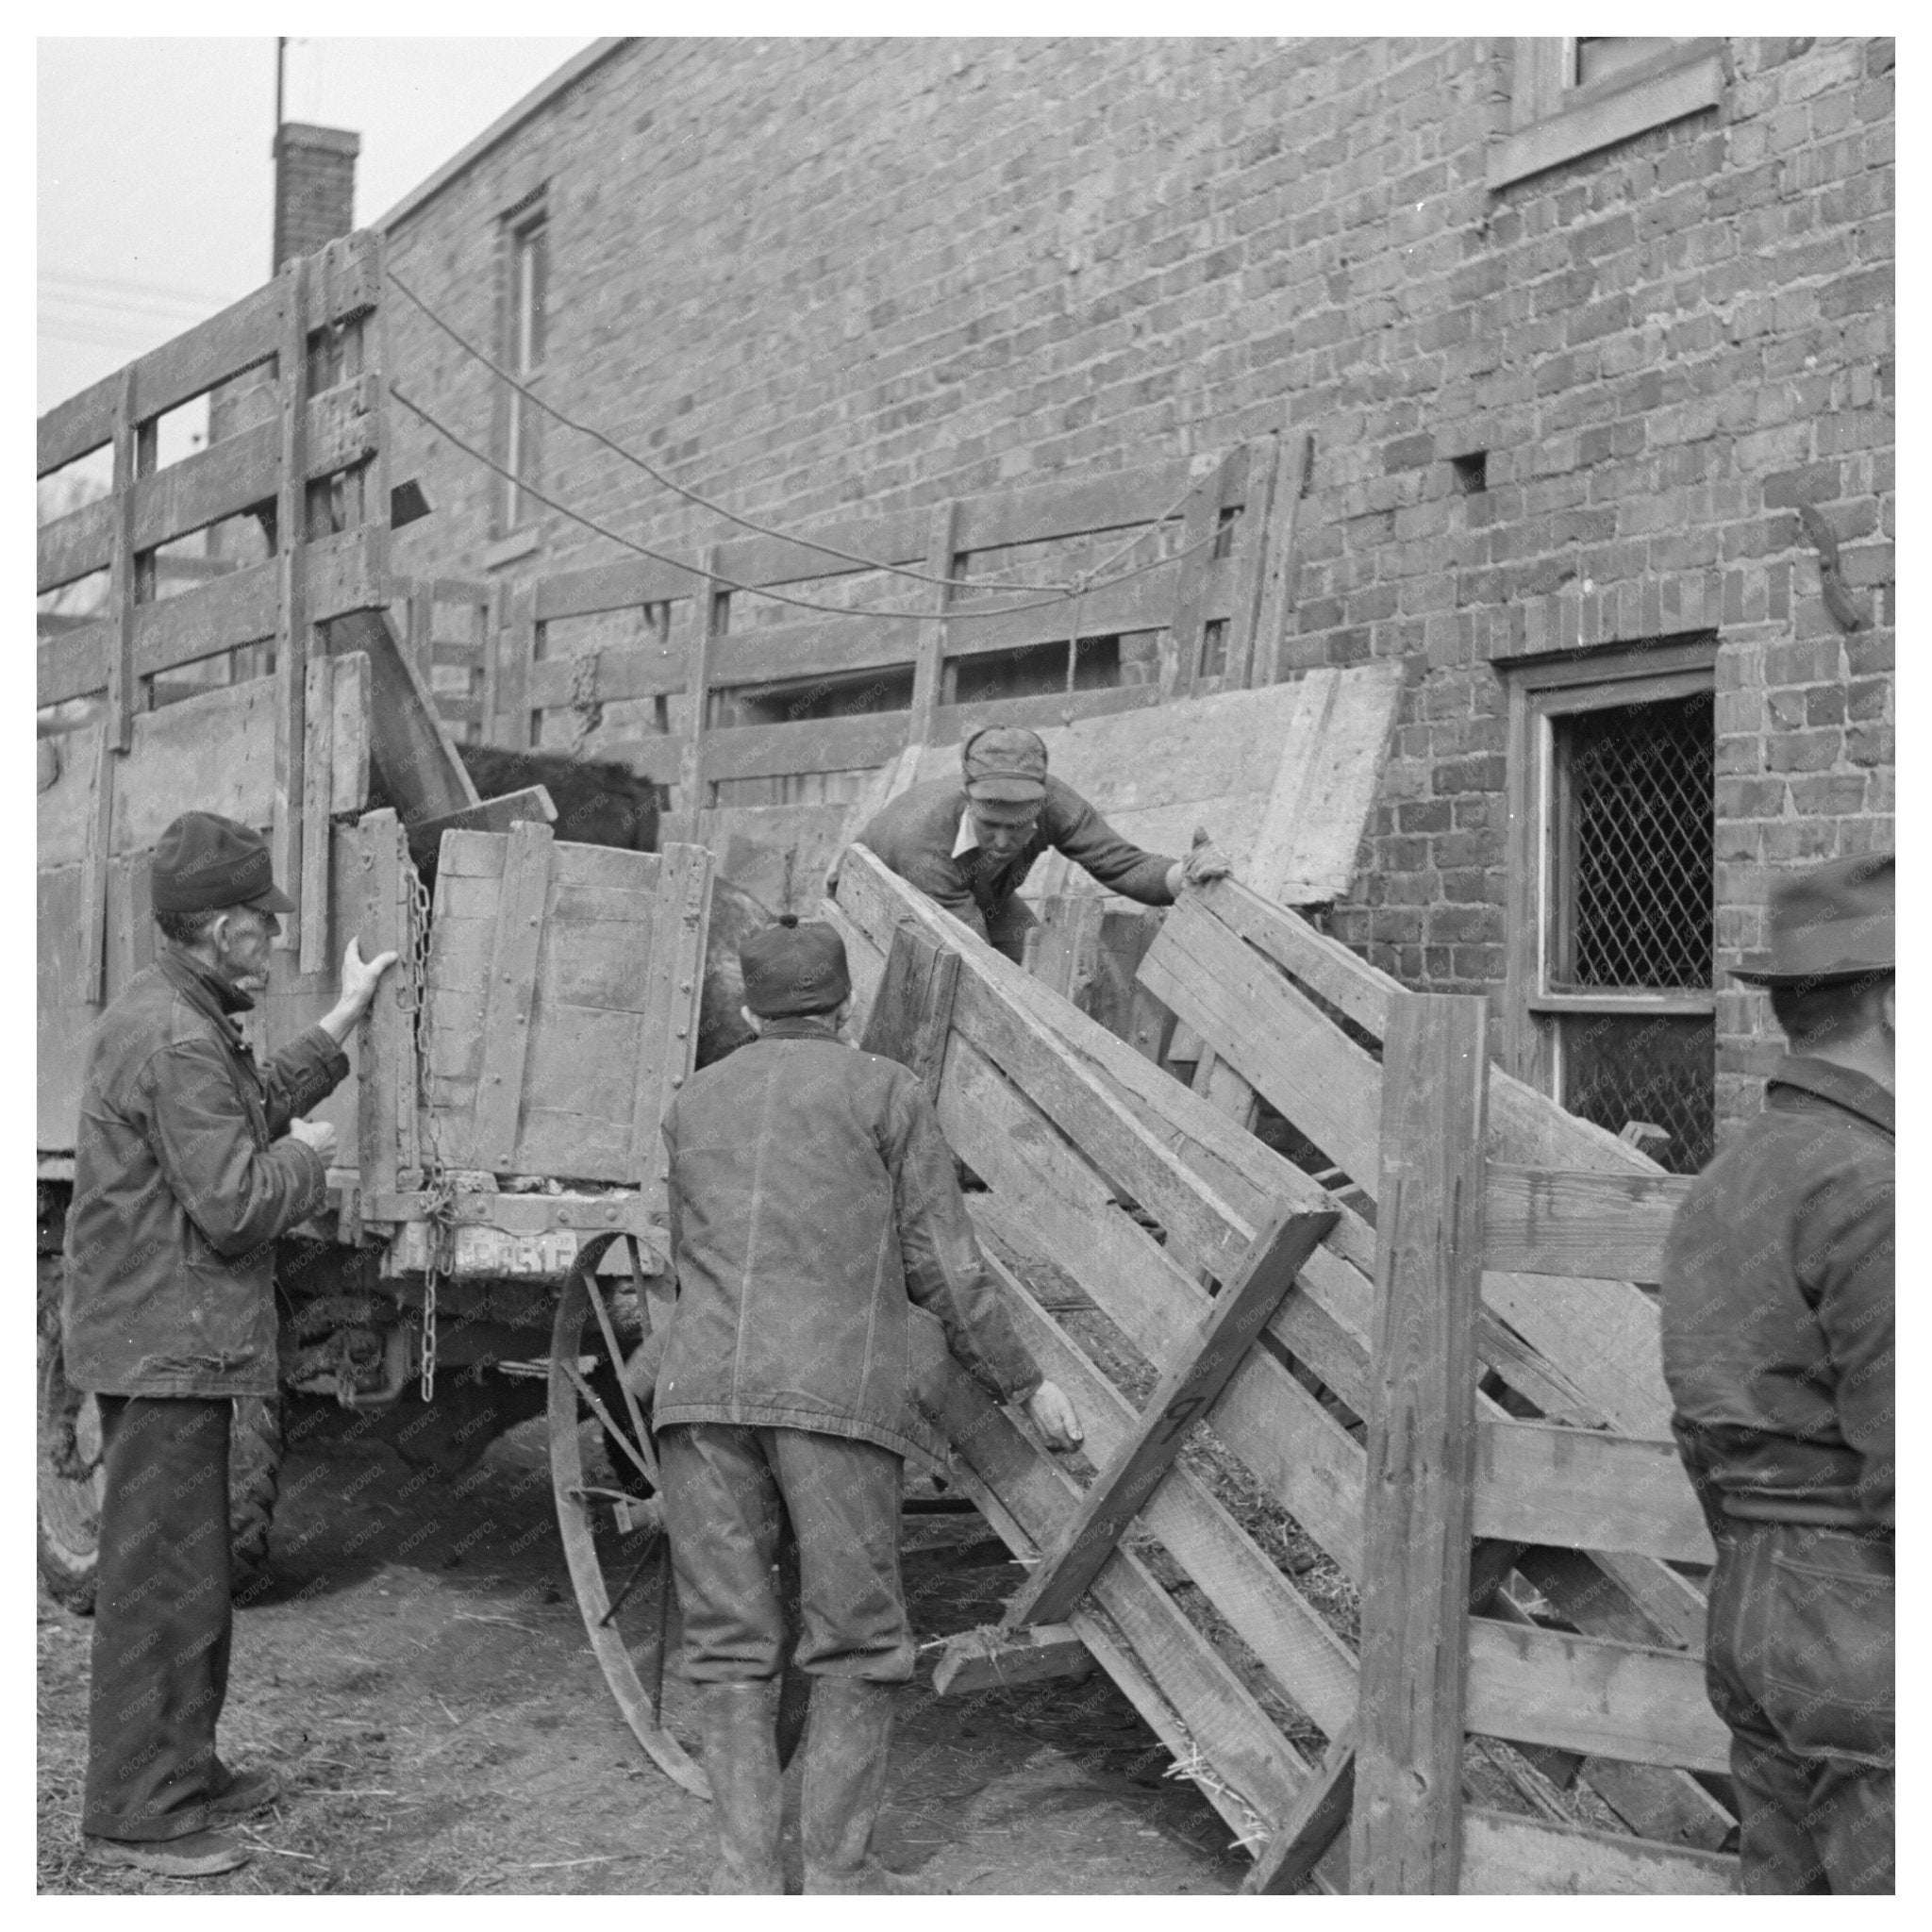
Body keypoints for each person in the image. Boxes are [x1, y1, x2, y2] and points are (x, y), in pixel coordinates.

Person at [654, 915, 1083, 1894]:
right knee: (852, 1634)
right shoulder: (885, 1091)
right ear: (842, 1006)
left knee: (727, 1639)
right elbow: (944, 1263)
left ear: (749, 1008)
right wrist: (1023, 1378)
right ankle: (840, 1876)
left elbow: (688, 1250)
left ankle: (743, 1882)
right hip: (830, 1393)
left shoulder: (690, 1102)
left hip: (698, 1392)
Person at [62, 811, 398, 1877]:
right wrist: (303, 1160)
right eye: (263, 920)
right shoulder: (172, 1034)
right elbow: (237, 1204)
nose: (277, 938)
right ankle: (134, 1809)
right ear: (215, 926)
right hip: (167, 1343)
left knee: (190, 1573)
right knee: (161, 1580)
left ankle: (184, 1771)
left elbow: (235, 1105)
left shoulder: (181, 1013)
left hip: (174, 1338)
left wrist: (343, 1018)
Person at [1659, 852, 1893, 1894]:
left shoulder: (1733, 1171)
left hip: (1754, 1597)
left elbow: (1703, 1424)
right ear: (1893, 1001)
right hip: (1866, 1614)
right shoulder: (1875, 1186)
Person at [852, 724, 1231, 961]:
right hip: (873, 901)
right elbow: (973, 954)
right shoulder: (922, 839)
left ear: (1039, 801)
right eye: (989, 826)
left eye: (1017, 827)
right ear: (968, 800)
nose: (1002, 843)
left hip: (981, 898)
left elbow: (1121, 863)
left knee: (1043, 962)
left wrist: (1184, 875)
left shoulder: (1054, 802)